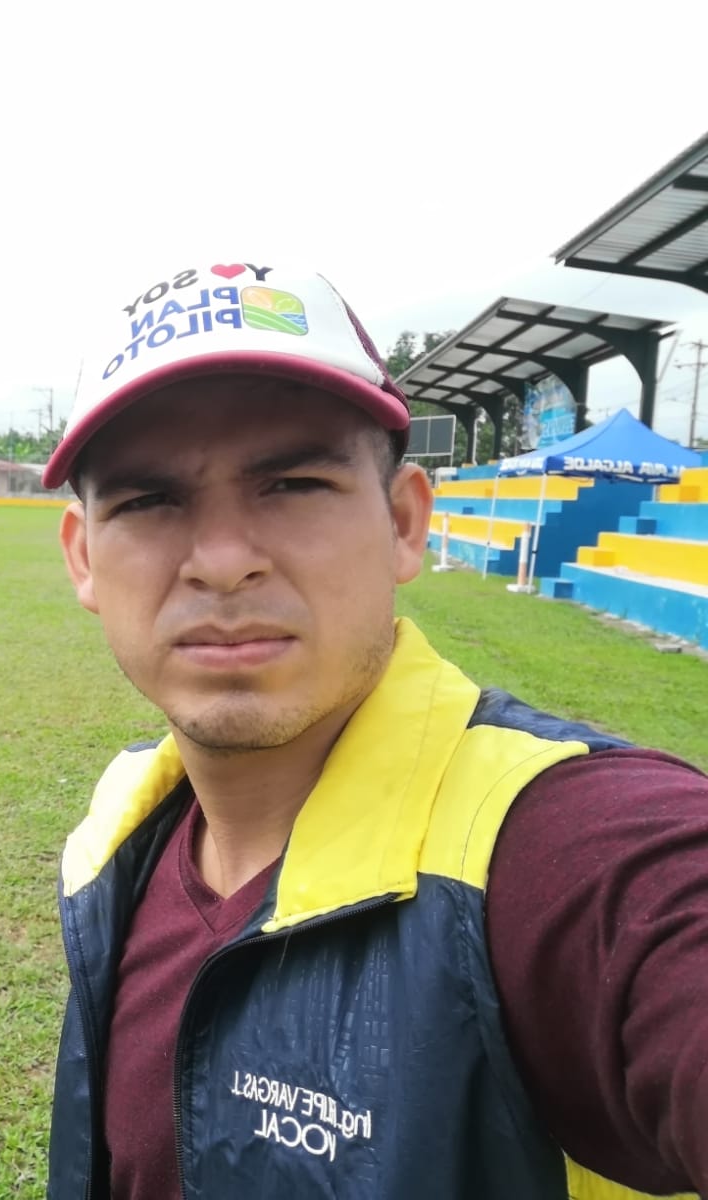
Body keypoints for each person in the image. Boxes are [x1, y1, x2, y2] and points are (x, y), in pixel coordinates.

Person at [42, 261, 708, 1199]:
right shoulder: (122, 830)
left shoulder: (567, 850)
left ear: (403, 524)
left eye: (293, 483)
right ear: (84, 558)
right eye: (149, 501)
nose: (222, 561)